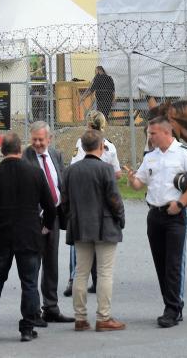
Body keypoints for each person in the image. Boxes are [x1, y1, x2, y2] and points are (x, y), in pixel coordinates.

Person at [0, 132, 56, 343]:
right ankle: (27, 328)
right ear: (20, 150)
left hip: (0, 237)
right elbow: (50, 206)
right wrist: (45, 227)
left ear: (2, 151)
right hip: (29, 236)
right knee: (29, 283)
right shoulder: (35, 174)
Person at [126, 116, 187, 328]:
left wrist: (180, 204)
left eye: (152, 134)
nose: (149, 137)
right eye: (149, 134)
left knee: (173, 263)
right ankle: (169, 304)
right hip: (154, 215)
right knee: (160, 263)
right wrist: (132, 179)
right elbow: (138, 183)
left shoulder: (184, 153)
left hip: (175, 216)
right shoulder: (151, 157)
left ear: (166, 133)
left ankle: (173, 308)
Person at [61, 129, 126, 332]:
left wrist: (71, 217)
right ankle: (103, 317)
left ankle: (80, 317)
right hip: (105, 225)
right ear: (101, 147)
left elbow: (64, 201)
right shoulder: (106, 170)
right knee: (105, 272)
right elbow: (114, 199)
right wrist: (120, 219)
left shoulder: (70, 171)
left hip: (80, 225)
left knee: (81, 272)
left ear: (82, 146)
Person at [22, 121, 73, 324]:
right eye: (34, 139)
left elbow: (61, 183)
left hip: (54, 217)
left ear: (49, 139)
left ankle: (51, 308)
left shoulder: (55, 155)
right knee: (33, 265)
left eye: (41, 139)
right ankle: (33, 311)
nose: (37, 143)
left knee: (51, 264)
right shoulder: (25, 159)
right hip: (34, 220)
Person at [65, 110, 121, 297]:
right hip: (103, 200)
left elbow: (73, 167)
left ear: (89, 125)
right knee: (101, 243)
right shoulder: (110, 147)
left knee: (79, 243)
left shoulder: (82, 143)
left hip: (82, 196)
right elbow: (117, 174)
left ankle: (73, 279)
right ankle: (97, 282)